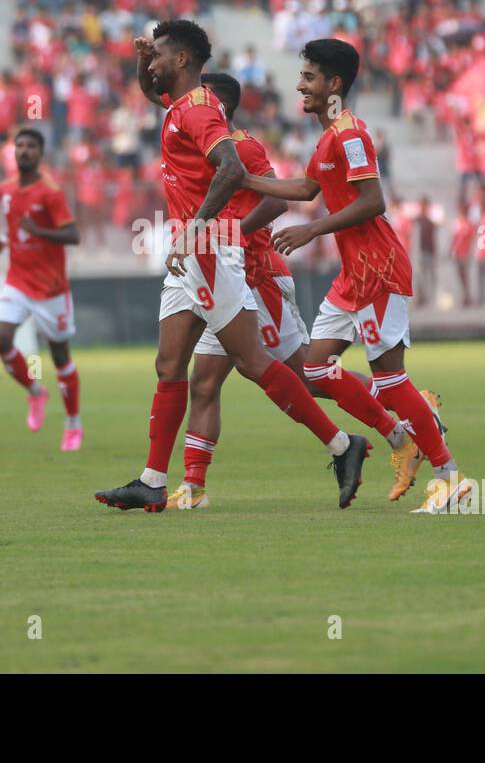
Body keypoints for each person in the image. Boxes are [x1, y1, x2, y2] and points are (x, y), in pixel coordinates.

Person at [94, 21, 370, 513]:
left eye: (157, 54)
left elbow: (231, 169)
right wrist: (140, 57)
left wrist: (200, 226)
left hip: (210, 248)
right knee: (170, 365)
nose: (151, 63)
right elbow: (147, 86)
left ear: (181, 60)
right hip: (192, 253)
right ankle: (154, 480)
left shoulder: (199, 110)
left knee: (254, 364)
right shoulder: (180, 105)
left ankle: (344, 446)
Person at [165, 73, 425, 510]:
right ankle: (193, 487)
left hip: (258, 277)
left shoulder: (240, 147)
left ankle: (405, 422)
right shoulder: (196, 146)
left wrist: (233, 234)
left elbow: (278, 202)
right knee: (204, 381)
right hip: (223, 279)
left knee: (309, 374)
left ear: (216, 104)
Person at [241, 39, 470, 513]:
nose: (300, 85)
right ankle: (402, 433)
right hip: (353, 276)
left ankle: (450, 477)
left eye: (308, 77)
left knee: (389, 380)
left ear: (334, 84)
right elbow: (305, 188)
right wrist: (241, 179)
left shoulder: (350, 134)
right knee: (315, 367)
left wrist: (313, 230)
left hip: (379, 268)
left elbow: (373, 201)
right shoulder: (326, 137)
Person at [0, 129, 84, 452]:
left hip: (50, 287)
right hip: (17, 279)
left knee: (60, 357)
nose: (24, 151)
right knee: (0, 337)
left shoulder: (51, 192)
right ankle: (34, 392)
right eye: (20, 146)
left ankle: (73, 423)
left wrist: (38, 231)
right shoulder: (6, 189)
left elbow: (73, 236)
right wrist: (0, 242)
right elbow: (14, 229)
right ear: (13, 152)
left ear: (40, 154)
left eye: (30, 146)